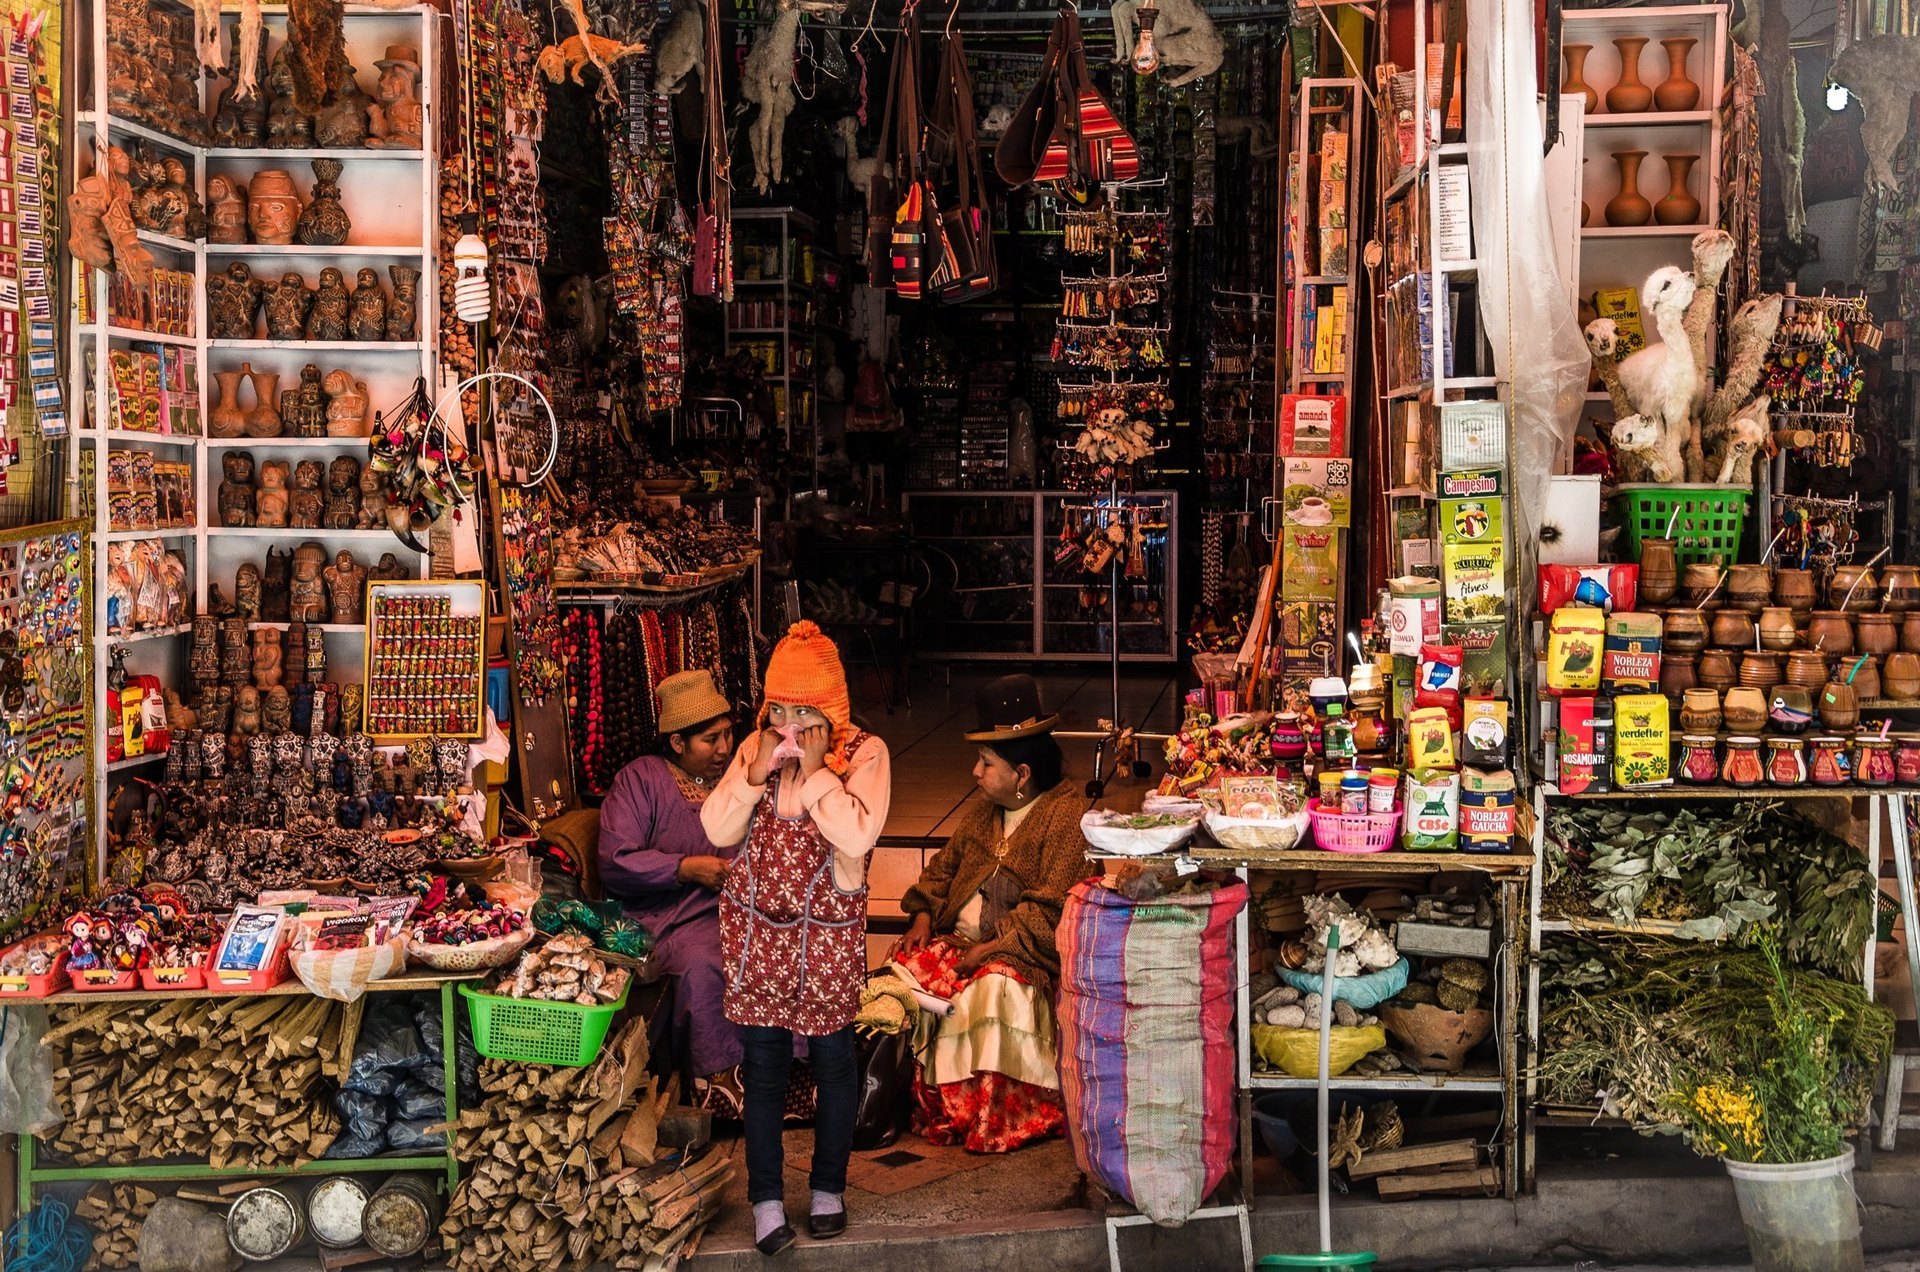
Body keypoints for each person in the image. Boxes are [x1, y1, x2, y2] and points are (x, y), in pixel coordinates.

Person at [702, 621, 891, 1255]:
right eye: (779, 707)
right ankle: (766, 1201)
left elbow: (857, 837)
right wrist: (754, 772)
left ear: (831, 710)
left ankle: (829, 1190)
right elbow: (719, 830)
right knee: (764, 1068)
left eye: (804, 710)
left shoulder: (865, 754)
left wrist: (814, 775)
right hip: (759, 933)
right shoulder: (758, 750)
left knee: (835, 1063)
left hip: (827, 938)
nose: (790, 722)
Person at [890, 674, 1088, 1153]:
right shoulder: (984, 811)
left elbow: (1050, 909)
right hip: (963, 944)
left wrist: (987, 949)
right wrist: (922, 916)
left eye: (985, 762)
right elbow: (942, 869)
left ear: (1022, 774)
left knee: (995, 988)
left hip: (1018, 955)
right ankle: (928, 1105)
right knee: (901, 976)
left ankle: (993, 1116)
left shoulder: (1065, 815)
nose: (975, 773)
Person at [596, 670, 744, 1115]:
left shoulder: (741, 779)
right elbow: (615, 858)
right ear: (677, 743)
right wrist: (684, 869)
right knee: (704, 964)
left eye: (728, 734)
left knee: (771, 950)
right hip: (661, 918)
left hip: (733, 910)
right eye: (709, 740)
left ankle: (787, 1083)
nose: (724, 749)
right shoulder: (641, 780)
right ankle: (720, 1098)